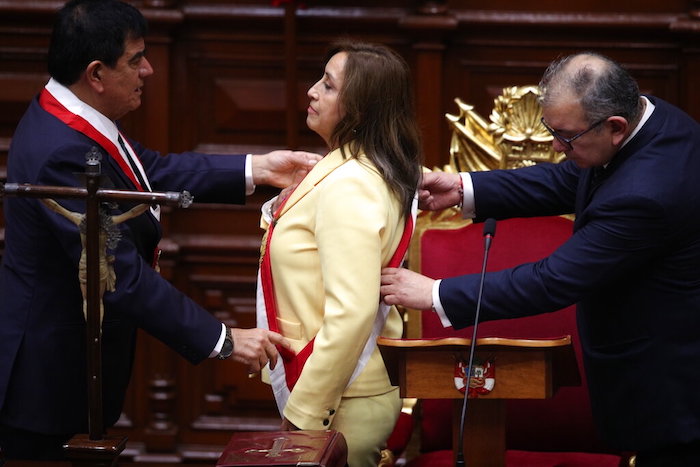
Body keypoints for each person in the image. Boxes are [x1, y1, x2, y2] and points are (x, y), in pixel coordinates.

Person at [0, 0, 321, 460]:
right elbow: (118, 273)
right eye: (135, 60)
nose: (148, 70)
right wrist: (223, 340)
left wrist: (259, 168)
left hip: (69, 366)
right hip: (47, 382)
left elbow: (145, 174)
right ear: (96, 74)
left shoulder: (70, 112)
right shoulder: (60, 150)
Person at [380, 51, 700, 466]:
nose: (555, 146)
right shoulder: (649, 118)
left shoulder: (648, 193)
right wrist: (463, 188)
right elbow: (570, 176)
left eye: (565, 137)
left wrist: (436, 292)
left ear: (616, 128)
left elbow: (553, 281)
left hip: (670, 395)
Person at [255, 41, 422, 466]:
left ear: (360, 111)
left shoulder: (352, 183)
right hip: (338, 388)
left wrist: (307, 411)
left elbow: (351, 313)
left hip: (343, 399)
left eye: (328, 86)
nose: (312, 91)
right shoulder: (350, 168)